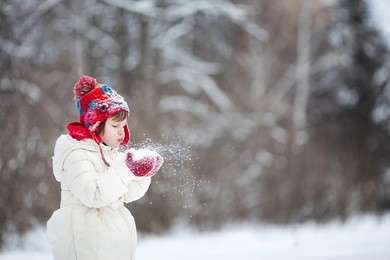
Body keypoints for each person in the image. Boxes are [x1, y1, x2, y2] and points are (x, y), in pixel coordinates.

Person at [47, 75, 163, 260]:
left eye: (124, 125)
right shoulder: (76, 154)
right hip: (86, 243)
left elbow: (125, 194)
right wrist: (126, 170)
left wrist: (141, 174)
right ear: (95, 125)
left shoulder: (111, 154)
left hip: (111, 243)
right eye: (115, 125)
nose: (121, 131)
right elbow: (93, 194)